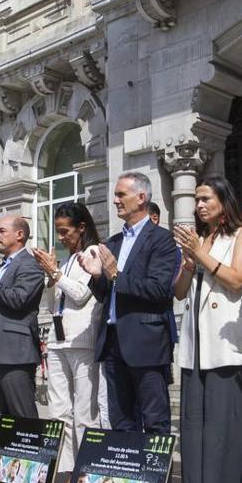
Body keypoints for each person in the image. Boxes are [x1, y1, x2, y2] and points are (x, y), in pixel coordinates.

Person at [173, 176, 242, 483]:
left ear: (225, 200)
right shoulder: (201, 240)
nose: (199, 205)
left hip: (229, 344)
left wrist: (200, 255)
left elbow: (239, 280)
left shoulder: (240, 234)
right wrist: (189, 262)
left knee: (229, 426)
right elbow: (179, 292)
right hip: (197, 345)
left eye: (206, 198)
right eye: (196, 200)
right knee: (199, 426)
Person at [82, 172, 178, 434]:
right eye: (115, 194)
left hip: (145, 343)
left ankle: (159, 476)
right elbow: (106, 295)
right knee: (121, 422)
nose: (115, 200)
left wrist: (115, 275)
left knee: (155, 421)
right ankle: (129, 476)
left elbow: (160, 289)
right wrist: (97, 276)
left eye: (121, 194)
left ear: (142, 197)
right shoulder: (113, 242)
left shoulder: (162, 239)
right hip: (113, 343)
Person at [33, 202, 104, 483]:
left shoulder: (93, 253)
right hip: (59, 341)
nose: (61, 237)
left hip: (83, 338)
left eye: (65, 231)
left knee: (84, 412)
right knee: (59, 410)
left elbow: (82, 294)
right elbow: (53, 304)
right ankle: (65, 472)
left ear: (81, 228)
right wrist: (51, 276)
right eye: (58, 232)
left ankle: (86, 473)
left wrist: (56, 274)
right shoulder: (67, 260)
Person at [0, 215, 46, 441]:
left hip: (16, 353)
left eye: (2, 231)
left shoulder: (30, 265)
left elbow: (19, 299)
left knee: (23, 415)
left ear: (19, 235)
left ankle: (32, 468)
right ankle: (2, 467)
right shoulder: (0, 266)